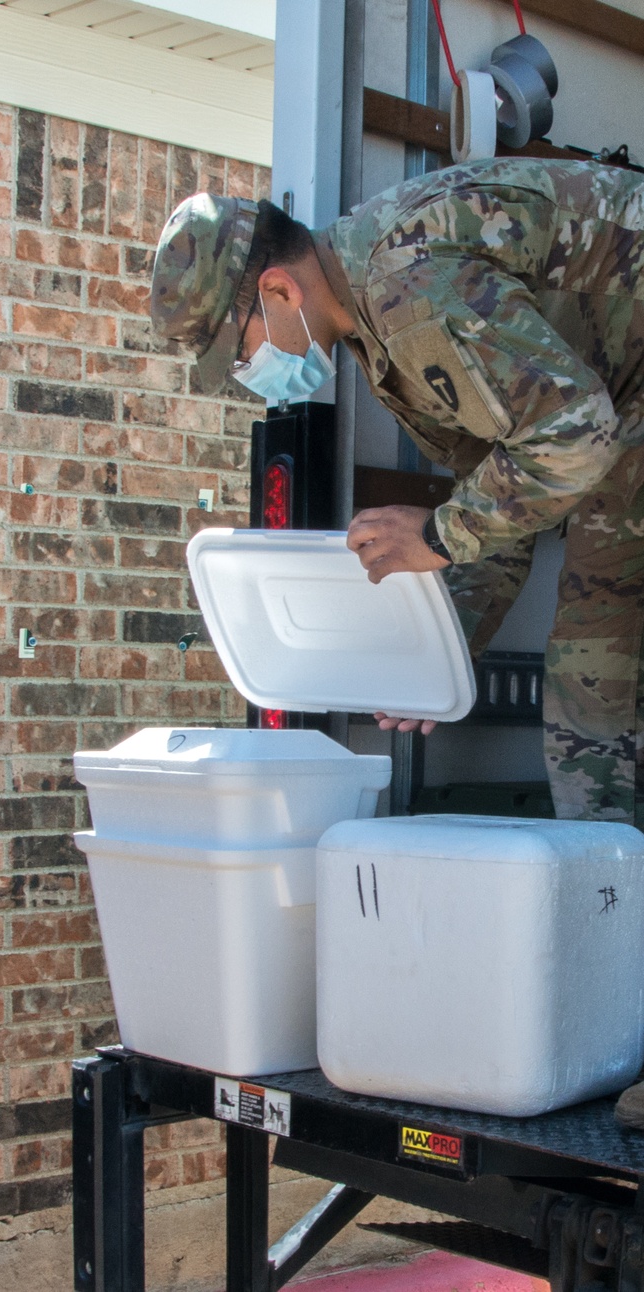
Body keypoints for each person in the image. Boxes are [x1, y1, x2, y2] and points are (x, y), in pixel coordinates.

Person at [149, 159, 644, 1127]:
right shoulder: (379, 338)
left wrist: (436, 538)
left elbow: (568, 439)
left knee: (593, 715)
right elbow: (501, 502)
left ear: (277, 289)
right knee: (590, 724)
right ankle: (621, 1030)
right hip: (623, 426)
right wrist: (437, 653)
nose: (253, 374)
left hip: (613, 424)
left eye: (238, 344)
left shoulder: (405, 288)